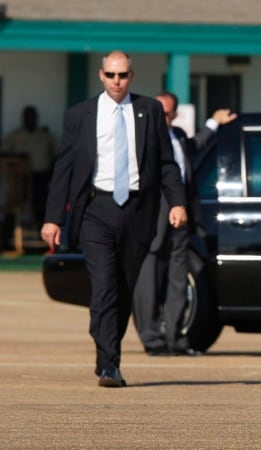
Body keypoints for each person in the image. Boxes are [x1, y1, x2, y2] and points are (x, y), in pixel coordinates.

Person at [40, 51, 187, 388]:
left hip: (138, 210)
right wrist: (52, 219)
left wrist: (177, 202)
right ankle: (110, 364)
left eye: (122, 75)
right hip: (97, 209)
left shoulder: (149, 110)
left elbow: (166, 162)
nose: (116, 82)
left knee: (123, 289)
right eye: (110, 75)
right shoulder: (80, 115)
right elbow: (63, 168)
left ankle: (106, 347)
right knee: (105, 286)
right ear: (101, 76)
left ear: (132, 76)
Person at [135, 91, 236, 356]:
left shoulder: (177, 136)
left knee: (178, 279)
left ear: (174, 115)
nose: (160, 118)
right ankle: (152, 338)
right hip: (152, 219)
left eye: (165, 114)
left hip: (181, 220)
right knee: (148, 281)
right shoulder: (140, 138)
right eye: (156, 112)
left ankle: (176, 338)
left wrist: (214, 122)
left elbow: (195, 145)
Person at [0, 105, 58, 248]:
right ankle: (5, 242)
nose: (30, 120)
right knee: (14, 208)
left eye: (32, 117)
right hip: (20, 179)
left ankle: (44, 243)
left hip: (41, 177)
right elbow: (3, 153)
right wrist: (19, 158)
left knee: (41, 208)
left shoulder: (44, 136)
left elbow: (57, 155)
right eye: (27, 117)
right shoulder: (16, 136)